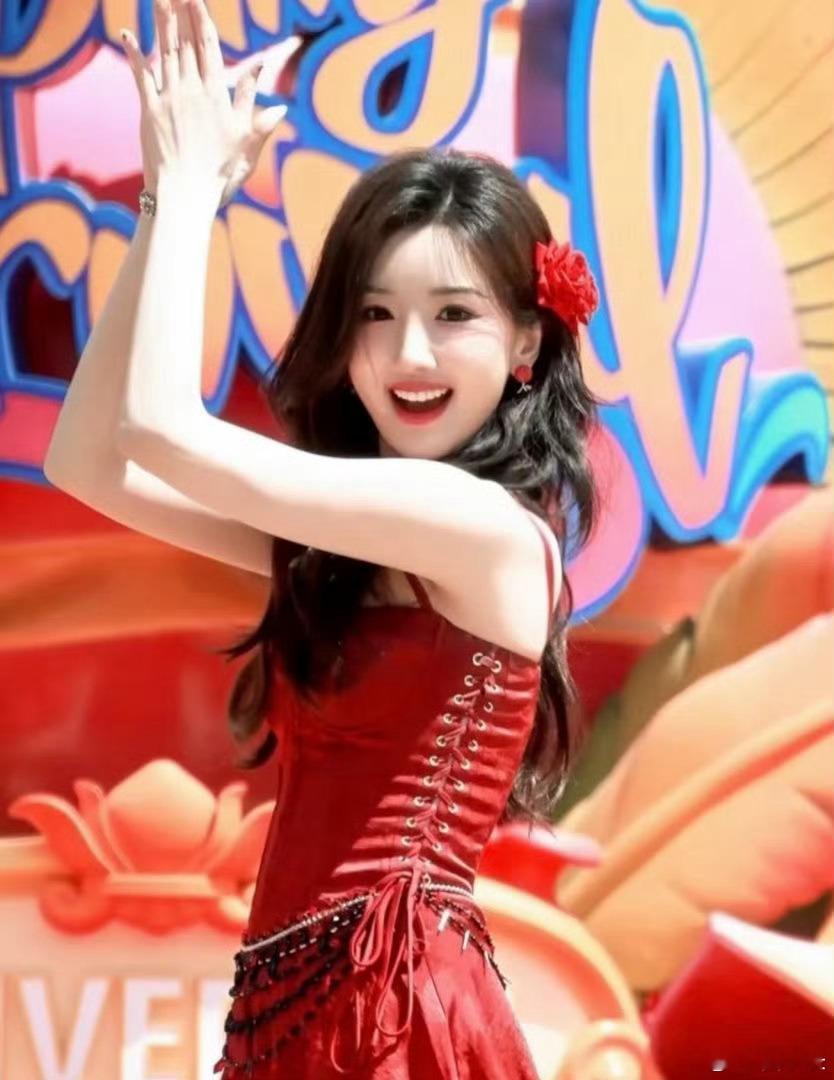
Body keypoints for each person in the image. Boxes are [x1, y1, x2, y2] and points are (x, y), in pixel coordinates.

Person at [44, 1, 603, 1075]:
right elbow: (89, 462)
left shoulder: (481, 528)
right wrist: (164, 200)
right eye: (375, 314)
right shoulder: (347, 551)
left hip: (397, 1011)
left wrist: (197, 188)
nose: (408, 353)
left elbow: (159, 429)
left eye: (453, 315)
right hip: (300, 1014)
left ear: (527, 342)